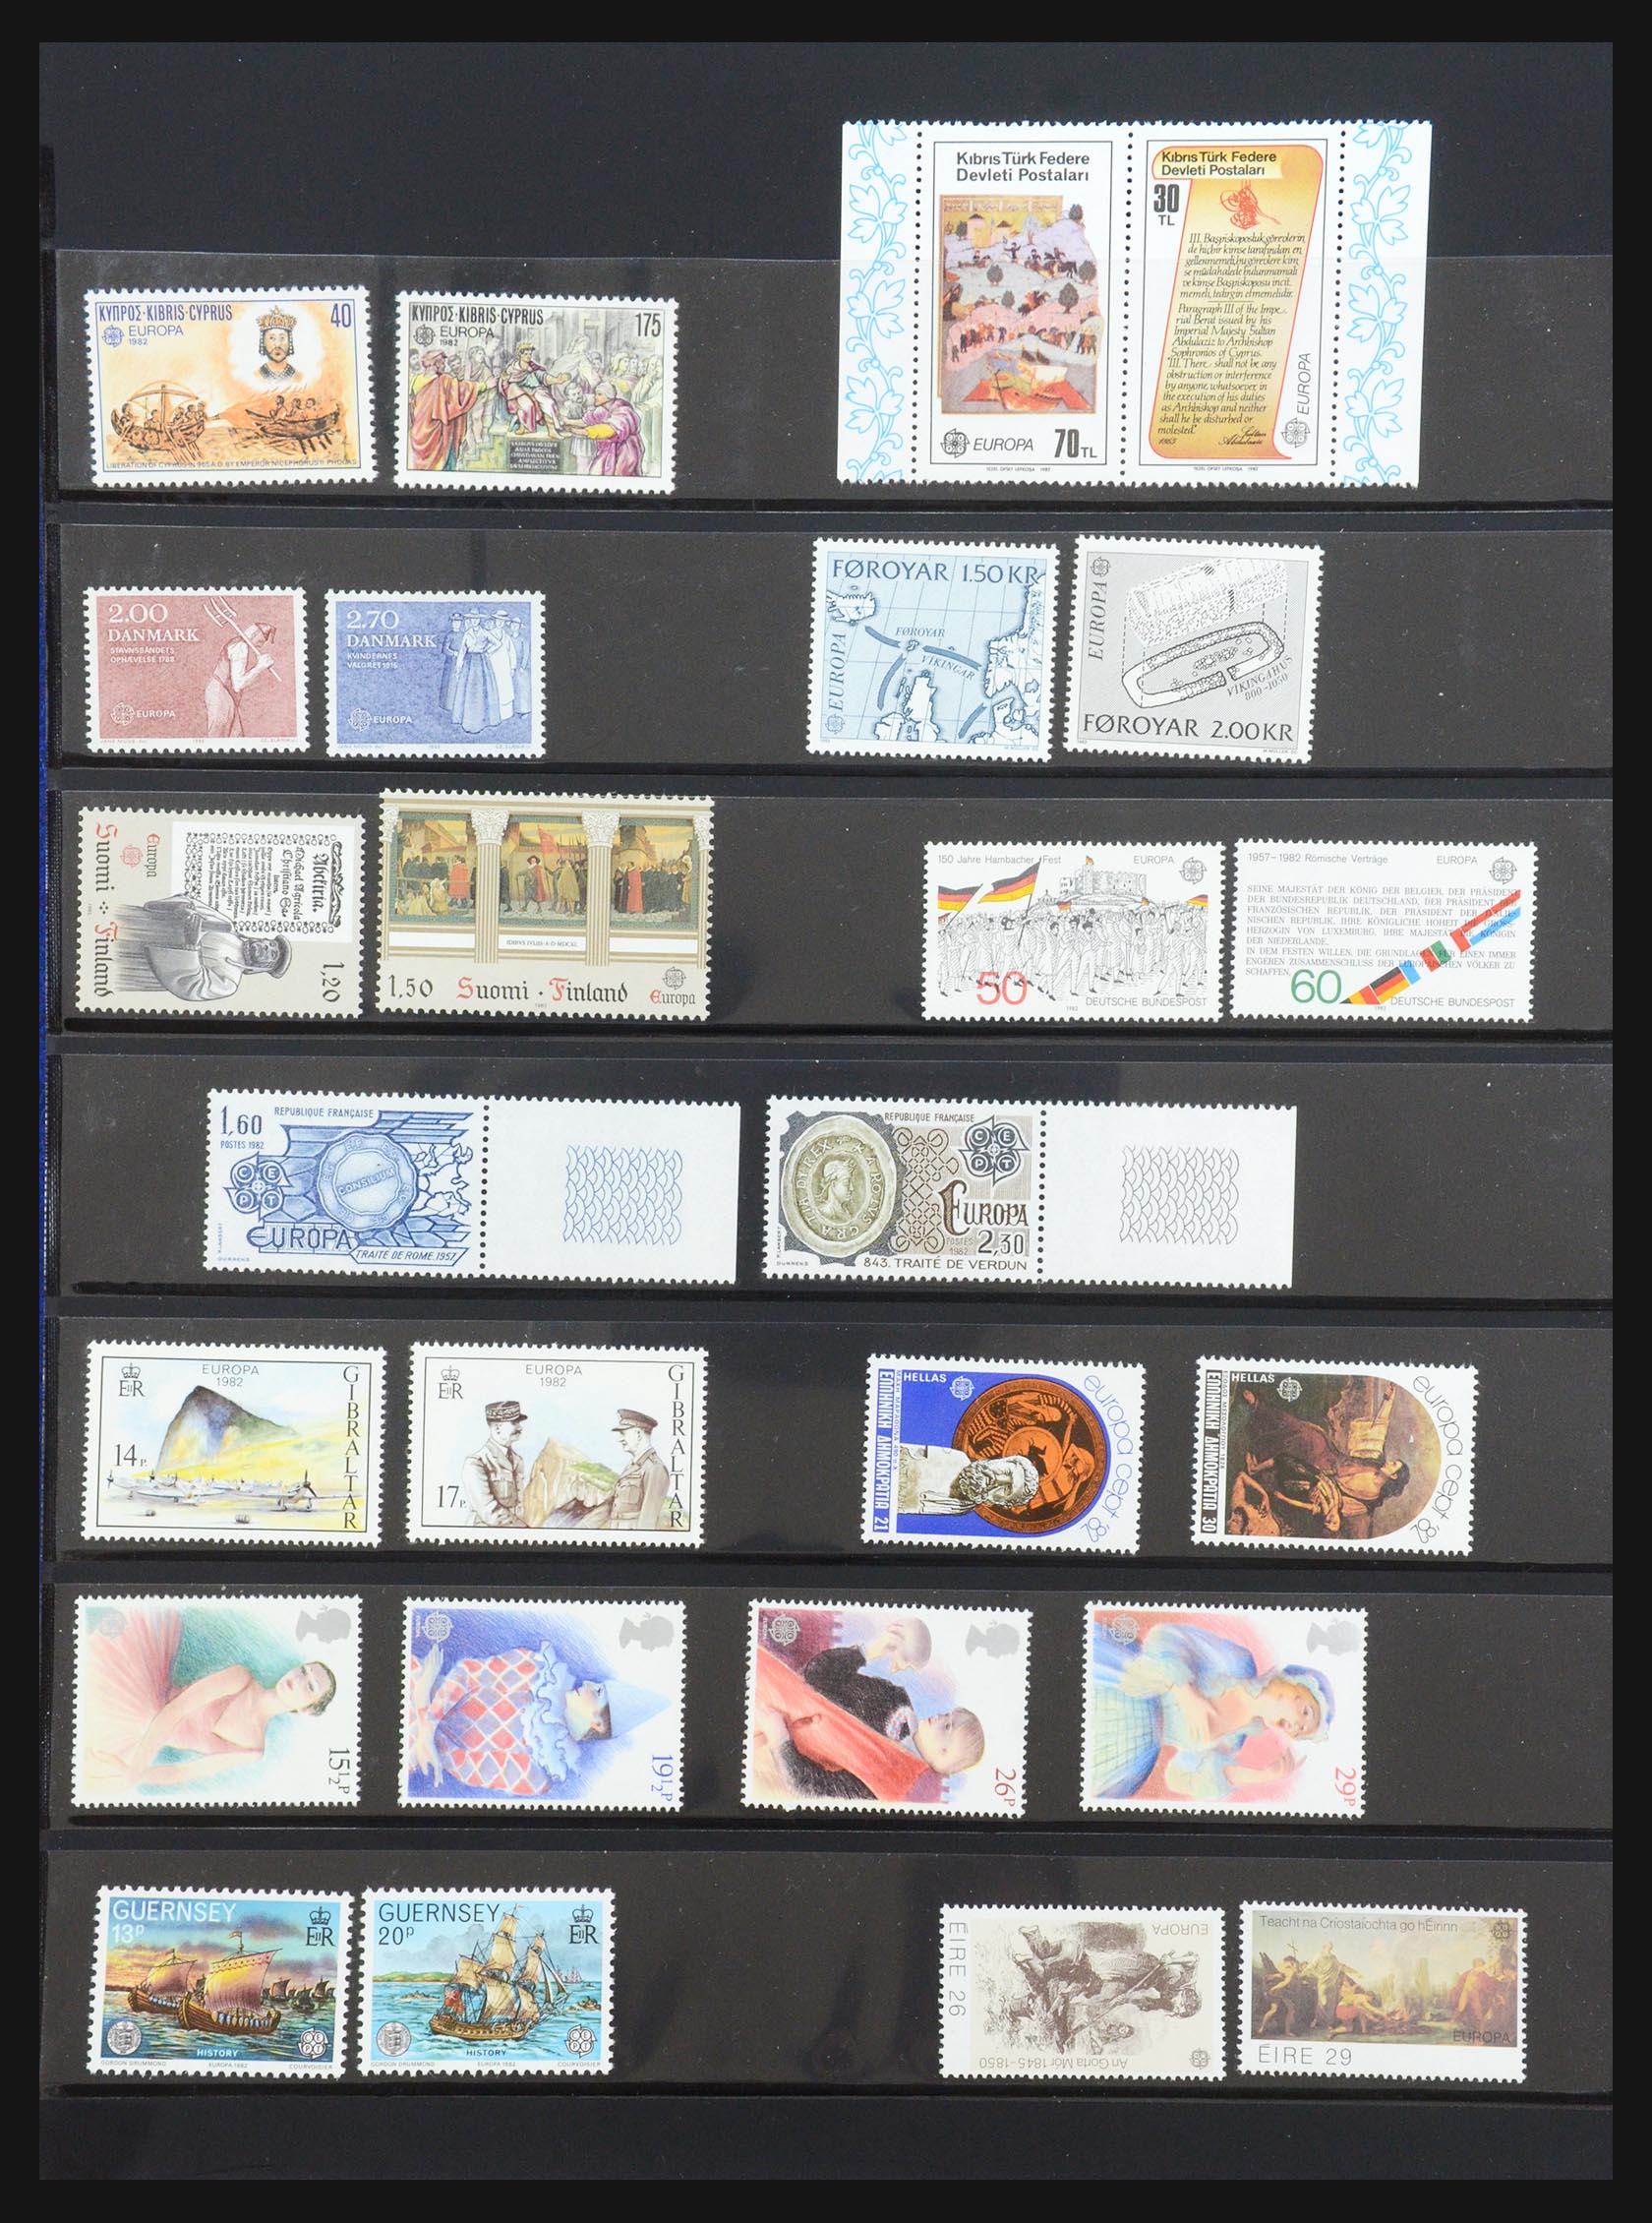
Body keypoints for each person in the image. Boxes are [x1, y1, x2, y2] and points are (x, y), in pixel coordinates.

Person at [79, 1602, 335, 1792]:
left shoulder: (253, 1750)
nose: (298, 1679)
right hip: (140, 1702)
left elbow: (182, 1772)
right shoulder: (241, 1678)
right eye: (303, 1671)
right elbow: (175, 1710)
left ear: (307, 1709)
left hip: (136, 1743)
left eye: (310, 1686)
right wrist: (134, 1770)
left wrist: (132, 1776)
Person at [1088, 1617, 1334, 1805]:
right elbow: (1166, 1637)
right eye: (1306, 1712)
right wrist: (1188, 1696)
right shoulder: (1238, 1665)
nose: (1297, 1726)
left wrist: (1264, 1775)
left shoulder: (1234, 1739)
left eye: (1301, 1731)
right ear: (1293, 1685)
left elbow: (1181, 1776)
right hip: (1127, 1690)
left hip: (1130, 1751)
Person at [751, 1617, 986, 1802]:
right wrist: (870, 1652)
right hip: (772, 1686)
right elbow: (818, 1674)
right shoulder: (896, 1697)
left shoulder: (889, 1780)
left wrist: (779, 1739)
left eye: (948, 1726)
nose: (941, 1716)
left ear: (943, 1753)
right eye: (949, 1714)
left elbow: (812, 1787)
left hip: (768, 1738)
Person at [404, 1635, 627, 1797]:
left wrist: (424, 1716)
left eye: (598, 1692)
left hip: (412, 1745)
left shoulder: (538, 1776)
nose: (588, 1684)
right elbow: (467, 1674)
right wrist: (427, 1716)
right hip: (415, 1685)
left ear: (597, 1723)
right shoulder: (537, 1668)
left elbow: (463, 1766)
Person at [1228, 1383, 1412, 1541]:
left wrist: (1323, 1495)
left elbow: (1336, 1509)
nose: (1388, 1462)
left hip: (1320, 1484)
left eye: (1393, 1465)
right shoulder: (1374, 1462)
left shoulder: (1368, 1502)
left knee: (1295, 1467)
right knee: (1310, 1436)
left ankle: (1258, 1460)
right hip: (1329, 1458)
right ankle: (1258, 1407)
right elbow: (1378, 1429)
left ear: (1394, 1477)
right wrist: (1388, 1400)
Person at [131, 896, 292, 1004]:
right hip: (143, 923)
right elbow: (190, 903)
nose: (266, 946)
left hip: (142, 963)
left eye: (272, 954)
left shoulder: (229, 982)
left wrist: (191, 944)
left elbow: (191, 986)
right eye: (271, 943)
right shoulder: (227, 927)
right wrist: (181, 908)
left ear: (263, 967)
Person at [408, 348, 483, 471]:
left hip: (419, 431)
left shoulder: (415, 380)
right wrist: (483, 385)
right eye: (442, 363)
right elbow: (461, 391)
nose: (444, 365)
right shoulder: (443, 381)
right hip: (438, 434)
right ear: (436, 364)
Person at [203, 621, 276, 739]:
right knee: (219, 736)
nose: (260, 646)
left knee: (236, 736)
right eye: (260, 642)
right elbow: (238, 684)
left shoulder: (240, 644)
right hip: (220, 694)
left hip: (226, 695)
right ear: (254, 634)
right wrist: (259, 667)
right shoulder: (240, 647)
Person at [461, 1399, 529, 1527]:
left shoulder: (518, 1461)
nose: (520, 1427)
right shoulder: (476, 1463)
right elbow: (489, 1512)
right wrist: (524, 1529)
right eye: (514, 1423)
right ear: (497, 1428)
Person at [607, 1410, 673, 1532]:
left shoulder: (655, 1468)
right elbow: (608, 1506)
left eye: (623, 1434)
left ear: (638, 1434)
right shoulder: (632, 1466)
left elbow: (648, 1521)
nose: (619, 1439)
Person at [573, 380, 643, 477]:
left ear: (609, 396)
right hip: (608, 450)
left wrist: (577, 431)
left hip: (626, 450)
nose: (595, 397)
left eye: (599, 394)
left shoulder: (623, 410)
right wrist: (566, 422)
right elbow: (588, 420)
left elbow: (609, 430)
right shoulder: (603, 409)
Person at [255, 308, 299, 384]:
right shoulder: (256, 376)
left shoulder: (299, 377)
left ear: (289, 342)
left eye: (282, 338)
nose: (278, 345)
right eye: (272, 338)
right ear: (263, 342)